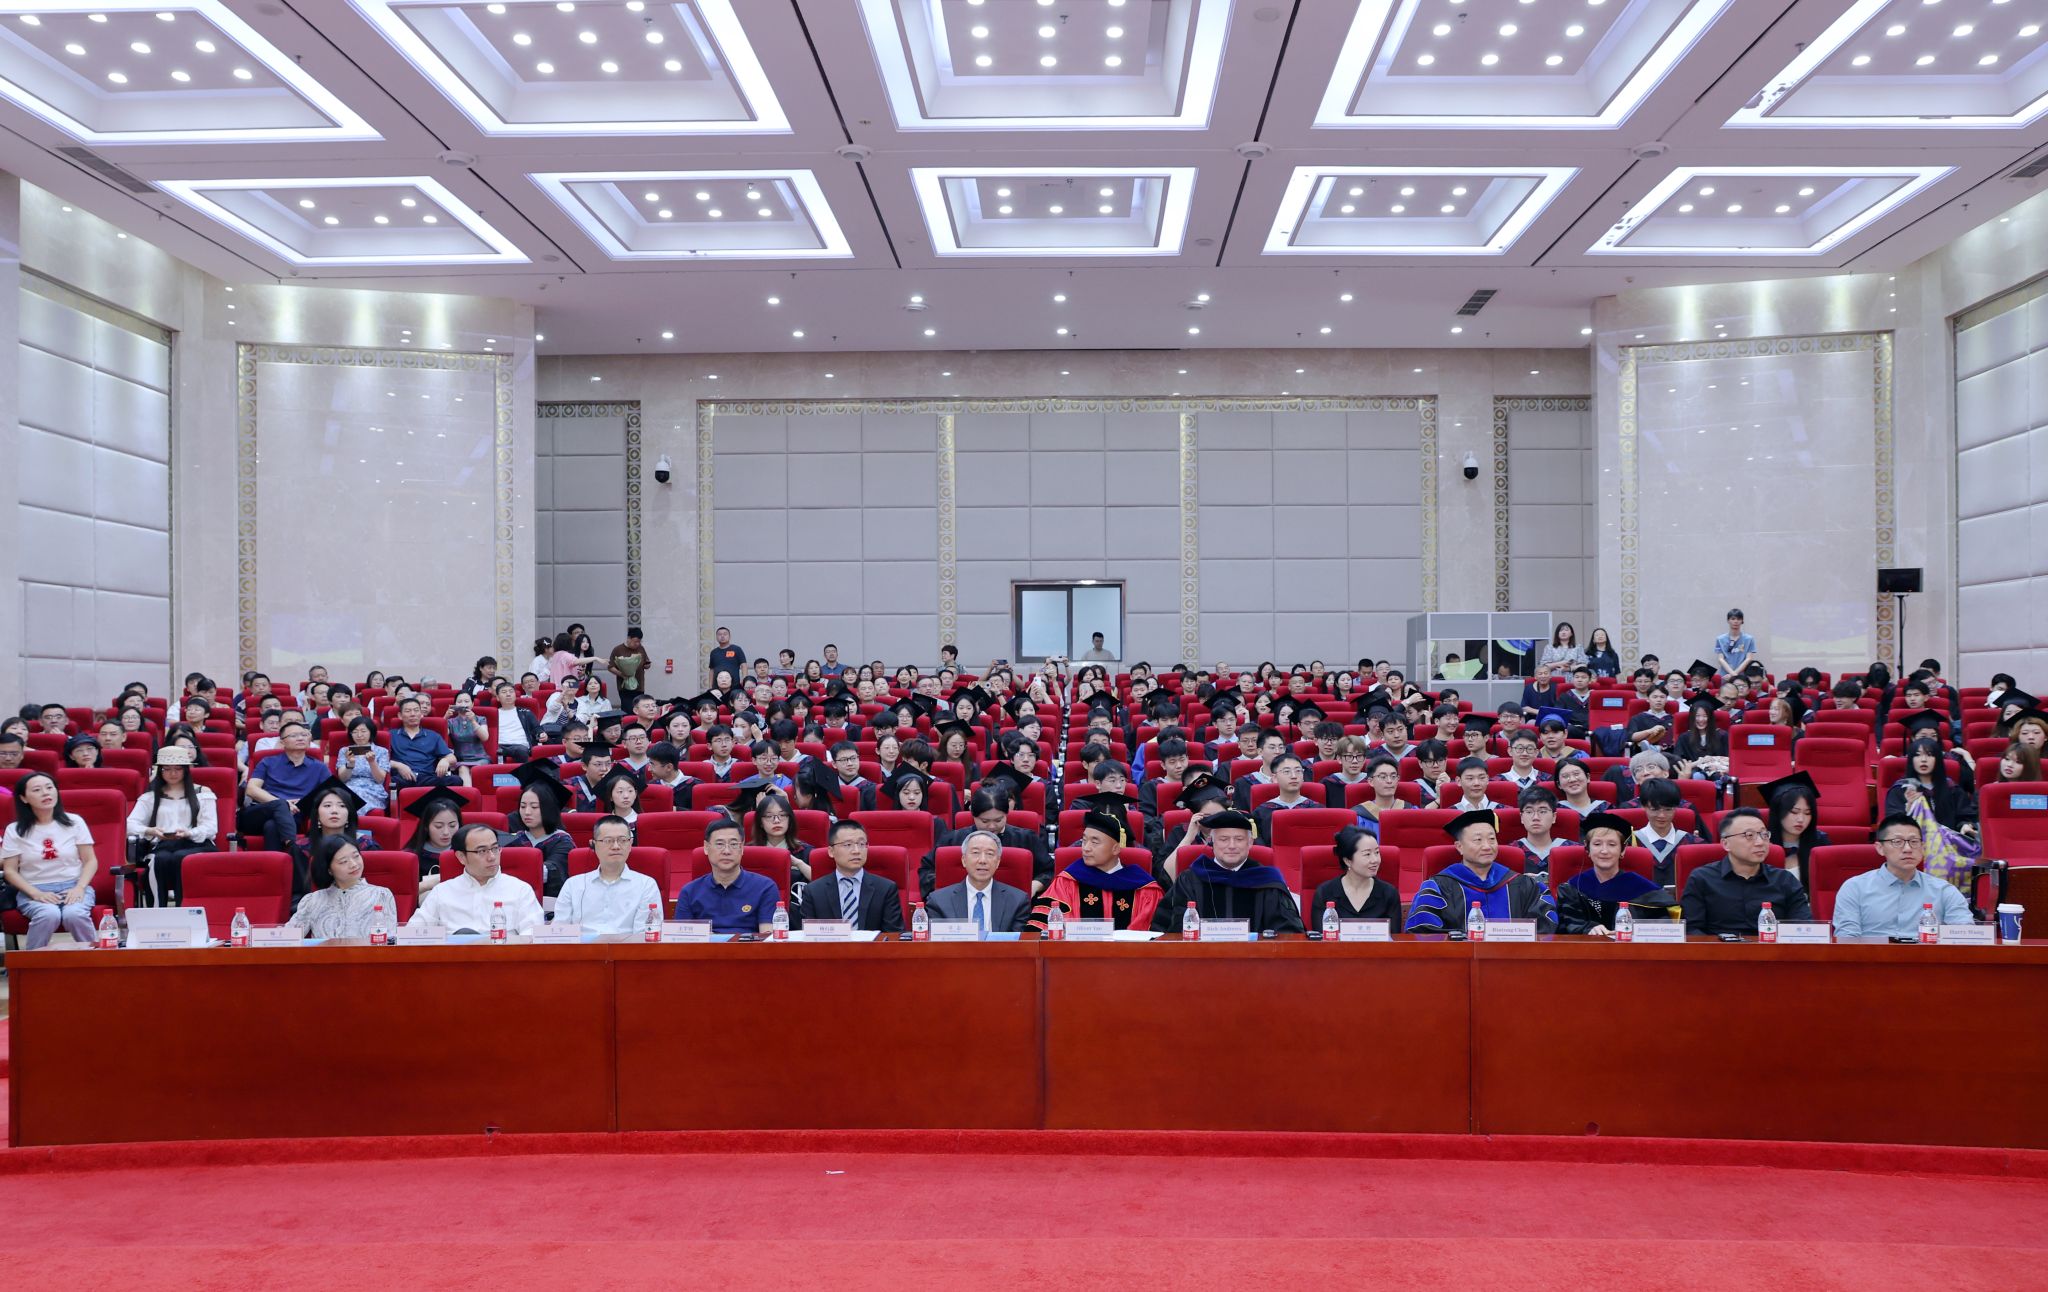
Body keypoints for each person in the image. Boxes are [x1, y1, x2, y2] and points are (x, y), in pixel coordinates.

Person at [1151, 809, 1304, 935]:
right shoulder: (1190, 880)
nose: (1231, 846)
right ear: (1212, 842)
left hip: (1256, 960)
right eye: (1224, 839)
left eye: (1239, 839)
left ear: (1250, 843)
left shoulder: (1268, 881)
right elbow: (1169, 928)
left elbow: (1288, 931)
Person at [1405, 809, 1556, 934]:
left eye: (1492, 839)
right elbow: (1423, 932)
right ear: (1459, 847)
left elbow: (1546, 928)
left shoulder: (1523, 885)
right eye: (1478, 840)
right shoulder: (1438, 887)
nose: (1487, 846)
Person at [1832, 813, 1974, 938]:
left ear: (1922, 847)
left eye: (1914, 842)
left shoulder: (1944, 891)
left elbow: (1965, 936)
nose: (1907, 849)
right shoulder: (1855, 888)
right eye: (1897, 842)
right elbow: (1846, 940)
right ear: (1880, 848)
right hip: (1872, 958)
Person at [2, 772, 99, 949]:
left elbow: (90, 860)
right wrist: (35, 893)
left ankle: (96, 959)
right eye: (37, 790)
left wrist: (79, 887)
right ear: (23, 798)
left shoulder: (74, 822)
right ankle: (33, 962)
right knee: (48, 914)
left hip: (73, 885)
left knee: (74, 914)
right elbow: (9, 870)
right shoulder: (14, 830)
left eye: (49, 787)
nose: (46, 793)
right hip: (33, 888)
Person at [1679, 807, 1810, 935]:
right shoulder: (1702, 879)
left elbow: (1803, 929)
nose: (1760, 842)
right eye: (1749, 835)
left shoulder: (1785, 880)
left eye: (1764, 835)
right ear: (1726, 844)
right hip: (1718, 948)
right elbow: (1691, 931)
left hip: (1772, 947)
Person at [1034, 809, 1162, 932]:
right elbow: (1044, 928)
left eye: (1095, 842)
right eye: (1084, 840)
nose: (1086, 848)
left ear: (1116, 849)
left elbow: (1151, 934)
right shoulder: (1066, 882)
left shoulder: (1144, 888)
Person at [124, 745, 216, 907]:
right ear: (160, 770)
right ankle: (156, 911)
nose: (173, 773)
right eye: (167, 769)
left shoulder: (202, 792)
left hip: (198, 844)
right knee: (159, 859)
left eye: (178, 769)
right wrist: (150, 830)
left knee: (181, 857)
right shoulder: (150, 797)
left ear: (186, 770)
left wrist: (189, 833)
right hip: (163, 844)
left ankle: (184, 908)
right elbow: (129, 824)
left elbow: (211, 827)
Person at [1556, 811, 1668, 937]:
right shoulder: (1572, 889)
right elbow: (1566, 926)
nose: (1604, 851)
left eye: (1612, 844)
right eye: (1597, 844)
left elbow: (1663, 926)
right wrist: (1588, 928)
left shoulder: (1643, 889)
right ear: (1587, 848)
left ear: (1623, 850)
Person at [556, 815, 664, 935]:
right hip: (581, 946)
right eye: (608, 841)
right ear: (593, 844)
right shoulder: (573, 885)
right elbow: (559, 931)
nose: (616, 846)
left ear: (630, 844)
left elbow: (645, 935)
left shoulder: (646, 885)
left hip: (627, 946)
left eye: (622, 840)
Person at [795, 819, 904, 933]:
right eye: (848, 845)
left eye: (861, 844)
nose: (856, 851)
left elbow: (894, 936)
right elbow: (808, 936)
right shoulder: (814, 891)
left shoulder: (885, 889)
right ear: (831, 851)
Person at [285, 837, 400, 939]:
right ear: (329, 869)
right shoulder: (313, 900)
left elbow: (390, 940)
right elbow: (287, 938)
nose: (353, 864)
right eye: (343, 861)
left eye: (356, 856)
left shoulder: (381, 895)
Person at [238, 720, 327, 853]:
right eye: (294, 735)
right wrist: (283, 804)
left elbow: (330, 792)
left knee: (272, 826)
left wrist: (304, 803)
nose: (300, 738)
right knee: (280, 805)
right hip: (260, 812)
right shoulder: (268, 762)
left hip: (294, 816)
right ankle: (294, 848)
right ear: (282, 742)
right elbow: (251, 789)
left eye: (304, 735)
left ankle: (279, 860)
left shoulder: (319, 767)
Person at [927, 829, 1031, 935]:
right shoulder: (938, 901)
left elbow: (1017, 943)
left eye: (990, 854)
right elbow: (938, 942)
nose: (982, 860)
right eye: (975, 853)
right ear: (964, 860)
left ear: (998, 862)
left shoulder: (1017, 901)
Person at [501, 763, 575, 896]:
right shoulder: (514, 839)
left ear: (549, 809)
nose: (527, 812)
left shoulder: (563, 842)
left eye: (534, 807)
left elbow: (550, 872)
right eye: (523, 806)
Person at [1884, 735, 1978, 836]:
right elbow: (1892, 826)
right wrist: (1909, 808)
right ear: (1911, 760)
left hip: (1948, 842)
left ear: (1937, 759)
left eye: (1929, 755)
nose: (1923, 759)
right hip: (1912, 842)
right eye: (1918, 755)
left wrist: (1964, 825)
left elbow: (1965, 817)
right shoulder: (1901, 789)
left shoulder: (1951, 788)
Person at [1311, 824, 1402, 924]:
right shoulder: (1324, 893)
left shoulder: (1389, 894)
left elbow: (1395, 933)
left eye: (1377, 852)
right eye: (1367, 854)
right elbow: (1319, 932)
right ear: (1347, 860)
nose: (1375, 860)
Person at [1761, 771, 1830, 898]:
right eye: (1794, 812)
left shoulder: (1820, 842)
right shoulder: (1760, 843)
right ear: (1778, 811)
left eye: (1807, 813)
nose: (1801, 819)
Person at [1633, 778, 1701, 887]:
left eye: (1668, 809)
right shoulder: (1629, 843)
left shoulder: (1692, 843)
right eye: (1655, 809)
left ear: (1676, 807)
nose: (1662, 815)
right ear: (1643, 807)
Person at [404, 787, 467, 891]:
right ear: (426, 826)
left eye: (452, 825)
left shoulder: (468, 853)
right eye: (438, 826)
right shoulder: (411, 857)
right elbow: (402, 892)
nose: (446, 832)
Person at [389, 696, 460, 787]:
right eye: (408, 711)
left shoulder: (433, 736)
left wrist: (445, 760)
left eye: (416, 710)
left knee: (456, 780)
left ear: (421, 714)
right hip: (402, 778)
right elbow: (379, 759)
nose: (413, 714)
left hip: (428, 778)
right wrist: (398, 765)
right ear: (400, 715)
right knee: (388, 782)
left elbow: (452, 758)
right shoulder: (391, 735)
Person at [608, 627, 651, 710]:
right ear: (628, 638)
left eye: (639, 641)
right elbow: (610, 667)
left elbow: (646, 662)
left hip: (639, 686)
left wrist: (647, 665)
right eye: (635, 641)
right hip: (624, 687)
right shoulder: (618, 649)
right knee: (627, 710)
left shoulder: (641, 648)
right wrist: (622, 674)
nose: (637, 644)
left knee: (640, 709)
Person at [1713, 609, 1757, 675]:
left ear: (1742, 621)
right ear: (1728, 620)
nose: (1736, 621)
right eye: (1733, 619)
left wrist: (1734, 674)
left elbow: (1749, 659)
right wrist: (1732, 674)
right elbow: (1720, 659)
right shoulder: (1720, 639)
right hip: (1726, 675)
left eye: (1738, 619)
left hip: (1742, 676)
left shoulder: (1749, 639)